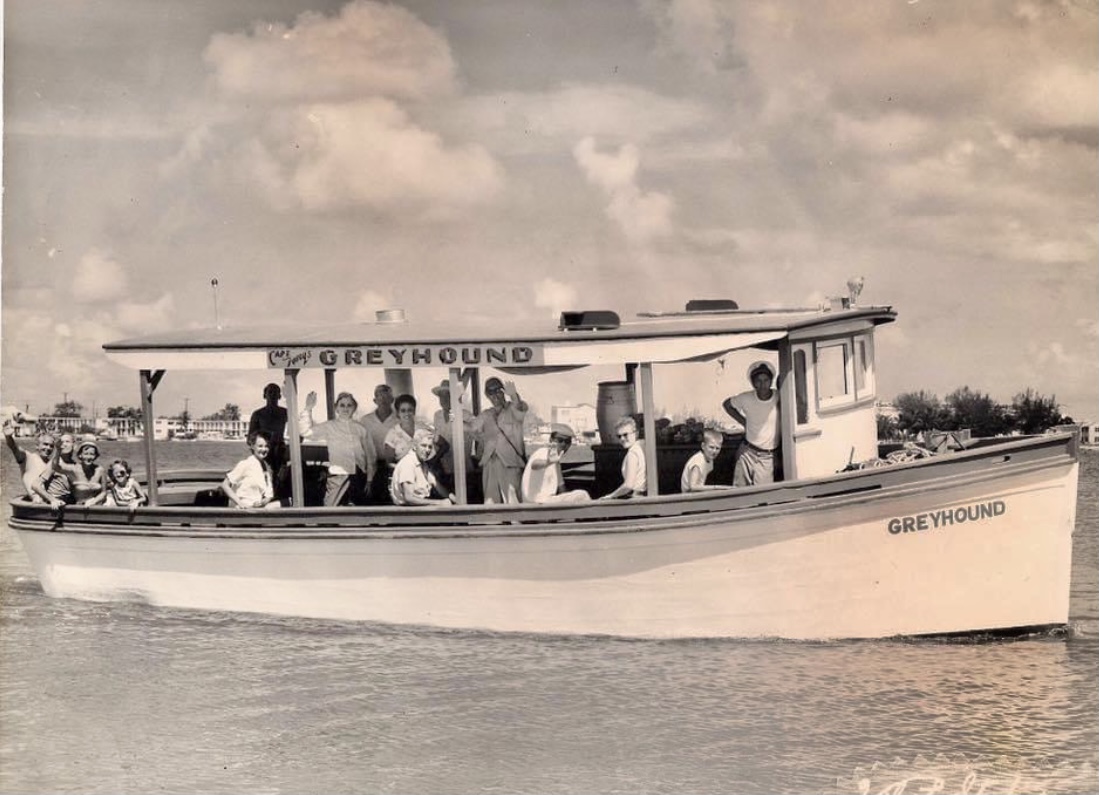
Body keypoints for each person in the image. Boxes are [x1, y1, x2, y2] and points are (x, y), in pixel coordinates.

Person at [299, 391, 376, 506]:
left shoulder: (361, 429)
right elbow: (306, 432)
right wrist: (308, 408)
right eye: (342, 405)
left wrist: (369, 480)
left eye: (349, 405)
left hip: (358, 476)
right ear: (336, 408)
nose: (346, 408)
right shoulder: (330, 426)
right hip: (337, 475)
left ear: (354, 408)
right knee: (329, 512)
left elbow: (371, 456)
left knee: (361, 511)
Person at [468, 377, 528, 504]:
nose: (494, 395)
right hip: (490, 463)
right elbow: (471, 428)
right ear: (486, 395)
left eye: (497, 390)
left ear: (503, 391)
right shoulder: (486, 414)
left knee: (513, 503)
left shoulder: (513, 409)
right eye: (490, 392)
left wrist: (514, 396)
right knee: (490, 505)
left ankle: (516, 523)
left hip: (510, 463)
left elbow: (520, 408)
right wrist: (454, 418)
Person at [723, 360, 781, 487]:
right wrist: (743, 421)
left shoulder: (779, 397)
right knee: (739, 492)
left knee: (763, 495)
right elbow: (727, 404)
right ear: (753, 383)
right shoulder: (746, 398)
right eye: (758, 381)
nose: (762, 384)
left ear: (771, 381)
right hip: (747, 452)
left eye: (766, 380)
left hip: (767, 457)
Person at [521, 424, 591, 504]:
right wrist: (548, 462)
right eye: (560, 440)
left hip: (547, 501)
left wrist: (569, 499)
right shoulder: (542, 452)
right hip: (536, 501)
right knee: (582, 495)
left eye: (567, 441)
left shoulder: (556, 462)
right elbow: (534, 465)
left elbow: (562, 489)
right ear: (551, 440)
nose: (564, 444)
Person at [390, 428, 456, 507]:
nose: (427, 450)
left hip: (419, 510)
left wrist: (453, 498)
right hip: (407, 513)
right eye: (423, 446)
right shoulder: (408, 464)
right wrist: (439, 503)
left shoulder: (423, 464)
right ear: (414, 446)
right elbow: (409, 497)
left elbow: (437, 486)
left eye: (430, 447)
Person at [430, 379, 474, 491]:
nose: (444, 399)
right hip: (444, 470)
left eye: (448, 395)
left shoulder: (465, 415)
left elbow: (479, 432)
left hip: (464, 470)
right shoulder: (437, 416)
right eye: (441, 396)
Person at [221, 430, 280, 509]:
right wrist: (240, 503)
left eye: (267, 446)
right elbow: (225, 485)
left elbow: (268, 495)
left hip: (257, 510)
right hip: (242, 511)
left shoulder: (266, 468)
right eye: (260, 446)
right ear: (252, 446)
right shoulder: (245, 464)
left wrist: (263, 502)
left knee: (286, 503)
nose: (264, 449)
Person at [358, 384, 398, 498]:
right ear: (375, 400)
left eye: (387, 398)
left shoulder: (399, 419)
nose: (383, 401)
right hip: (371, 466)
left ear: (392, 400)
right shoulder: (365, 420)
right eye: (380, 398)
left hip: (393, 465)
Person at [3, 420, 55, 502]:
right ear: (37, 446)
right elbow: (15, 448)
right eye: (45, 444)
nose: (48, 448)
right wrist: (9, 437)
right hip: (37, 502)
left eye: (51, 446)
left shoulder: (51, 463)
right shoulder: (29, 458)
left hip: (51, 502)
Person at [600, 416, 646, 499]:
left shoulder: (632, 453)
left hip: (636, 499)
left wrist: (610, 496)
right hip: (645, 496)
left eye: (625, 435)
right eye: (619, 436)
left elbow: (628, 485)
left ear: (636, 433)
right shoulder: (642, 445)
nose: (622, 439)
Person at [248, 383, 289, 476]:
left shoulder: (285, 413)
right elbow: (250, 439)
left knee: (281, 481)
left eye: (275, 392)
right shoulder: (258, 414)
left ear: (279, 396)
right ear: (264, 395)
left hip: (280, 453)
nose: (272, 395)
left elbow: (298, 428)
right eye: (270, 392)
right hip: (263, 452)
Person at [32, 432, 77, 508]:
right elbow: (35, 485)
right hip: (57, 501)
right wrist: (52, 499)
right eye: (61, 442)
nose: (64, 444)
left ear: (74, 446)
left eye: (67, 442)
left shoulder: (74, 464)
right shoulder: (55, 463)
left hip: (70, 500)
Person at [680, 428, 730, 493]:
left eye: (717, 448)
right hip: (689, 498)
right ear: (703, 446)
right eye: (711, 447)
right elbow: (693, 486)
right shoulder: (698, 462)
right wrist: (717, 488)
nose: (714, 451)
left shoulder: (709, 459)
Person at [71, 438, 107, 504]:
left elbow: (104, 492)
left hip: (96, 506)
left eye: (92, 454)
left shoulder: (100, 470)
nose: (89, 457)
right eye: (86, 454)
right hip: (78, 507)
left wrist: (93, 501)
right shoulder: (73, 469)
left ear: (95, 456)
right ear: (80, 455)